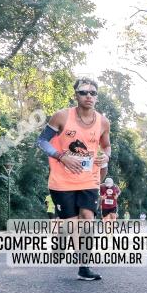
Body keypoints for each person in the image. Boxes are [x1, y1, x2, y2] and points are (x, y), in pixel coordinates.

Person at [36, 78, 111, 281]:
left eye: (93, 93)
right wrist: (62, 156)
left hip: (89, 179)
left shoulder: (103, 122)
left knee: (87, 218)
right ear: (75, 95)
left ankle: (84, 266)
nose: (88, 96)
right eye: (83, 92)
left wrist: (106, 156)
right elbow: (41, 141)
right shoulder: (61, 116)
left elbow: (106, 146)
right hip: (61, 181)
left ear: (97, 96)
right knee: (72, 224)